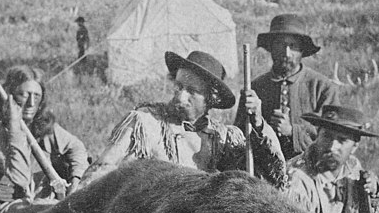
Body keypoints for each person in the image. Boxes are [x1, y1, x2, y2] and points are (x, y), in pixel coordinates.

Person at [82, 50, 287, 187]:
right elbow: (101, 171)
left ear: (211, 98)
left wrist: (259, 123)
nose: (180, 97)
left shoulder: (221, 138)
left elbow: (268, 176)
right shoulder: (144, 123)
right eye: (179, 87)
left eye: (192, 91)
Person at [0, 65, 89, 213]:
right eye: (24, 94)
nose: (31, 103)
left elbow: (75, 147)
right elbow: (20, 177)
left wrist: (76, 182)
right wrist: (15, 126)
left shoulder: (36, 119)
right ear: (9, 95)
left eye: (37, 95)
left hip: (21, 200)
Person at [235, 14, 340, 160]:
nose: (286, 53)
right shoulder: (256, 88)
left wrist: (292, 131)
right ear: (271, 47)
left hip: (310, 171)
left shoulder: (322, 87)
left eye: (293, 46)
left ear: (302, 50)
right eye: (280, 45)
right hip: (265, 172)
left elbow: (333, 138)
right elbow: (239, 137)